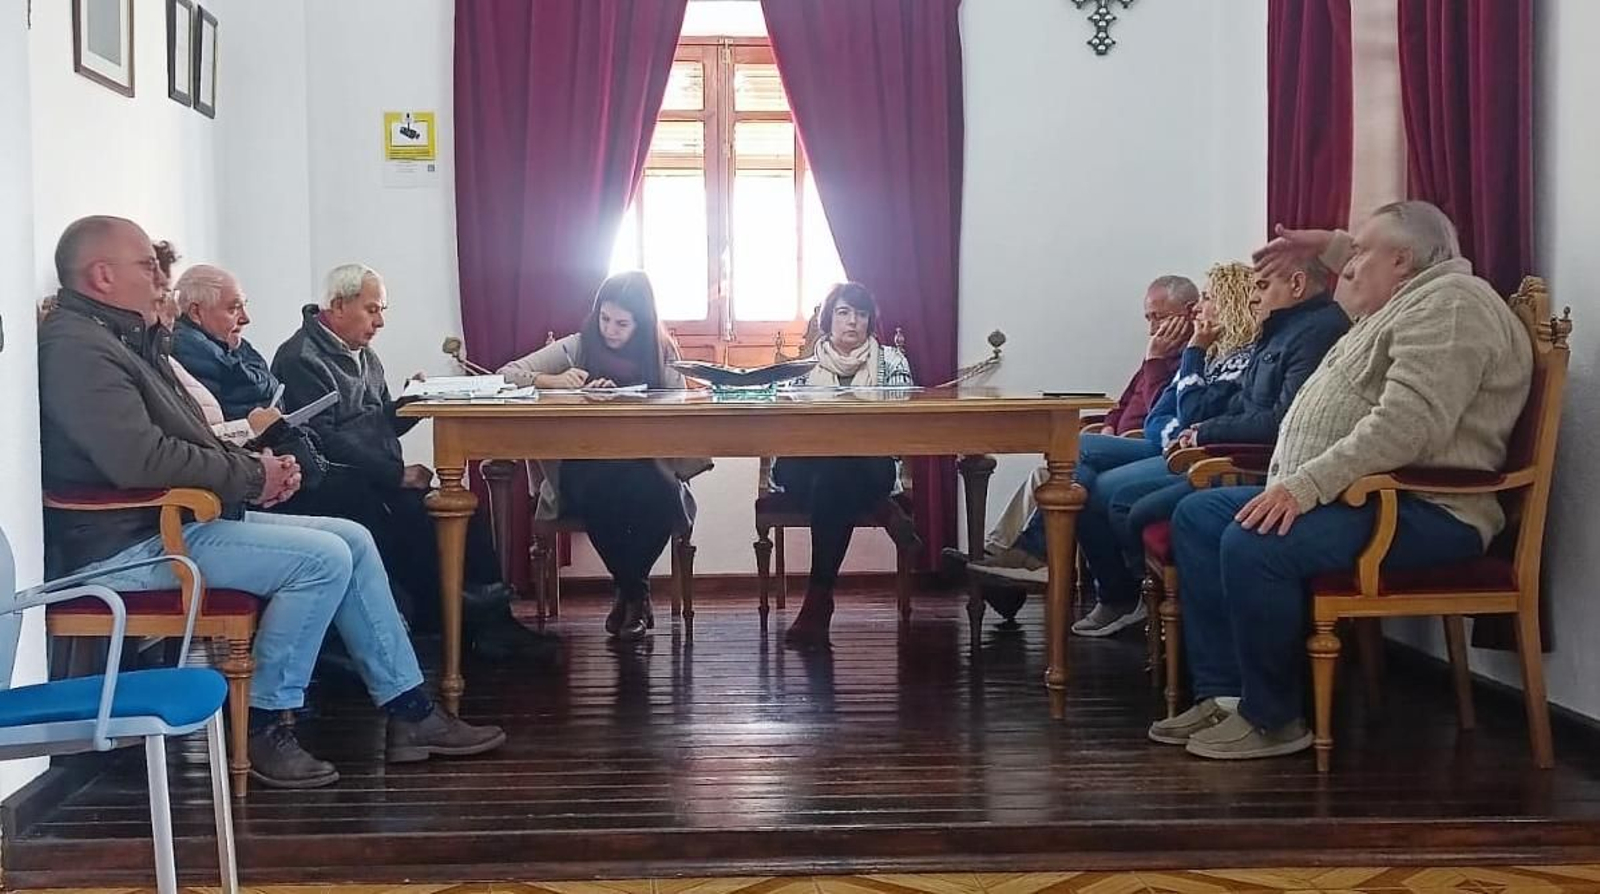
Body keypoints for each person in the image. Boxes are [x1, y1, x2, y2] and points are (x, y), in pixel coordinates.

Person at [39, 215, 505, 789]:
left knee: (351, 538)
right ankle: (258, 725)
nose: (161, 277)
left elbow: (188, 438)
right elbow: (142, 459)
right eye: (147, 266)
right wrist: (249, 477)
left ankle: (410, 713)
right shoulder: (79, 348)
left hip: (171, 522)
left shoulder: (124, 339)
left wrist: (256, 469)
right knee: (322, 559)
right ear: (102, 275)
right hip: (130, 543)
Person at [1153, 201, 1533, 760]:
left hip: (1427, 510)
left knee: (1254, 541)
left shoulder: (1451, 307)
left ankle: (1275, 718)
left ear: (1401, 260)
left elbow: (1406, 426)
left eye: (1359, 252)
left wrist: (1303, 486)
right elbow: (1360, 276)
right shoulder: (1406, 301)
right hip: (1371, 497)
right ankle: (1228, 695)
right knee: (1198, 516)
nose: (1348, 266)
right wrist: (1326, 245)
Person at [267, 264, 548, 661]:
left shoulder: (365, 354)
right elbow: (321, 441)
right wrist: (396, 474)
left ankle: (492, 624)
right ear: (338, 305)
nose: (380, 321)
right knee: (427, 520)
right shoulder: (300, 358)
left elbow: (380, 421)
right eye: (372, 310)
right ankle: (463, 630)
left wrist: (414, 400)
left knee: (468, 514)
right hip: (346, 488)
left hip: (378, 480)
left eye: (382, 310)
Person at [1060, 254, 1349, 636]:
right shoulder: (1249, 345)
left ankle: (1119, 592)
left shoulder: (1244, 349)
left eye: (1209, 297)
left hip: (1207, 455)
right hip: (1173, 443)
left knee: (1096, 480)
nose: (1200, 307)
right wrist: (1121, 420)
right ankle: (1073, 567)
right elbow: (1151, 409)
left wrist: (1191, 360)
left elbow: (1193, 410)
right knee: (1071, 455)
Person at [498, 271, 708, 641]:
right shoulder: (576, 347)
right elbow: (507, 374)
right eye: (605, 318)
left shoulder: (661, 354)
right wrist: (554, 382)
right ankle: (635, 592)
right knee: (603, 492)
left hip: (645, 465)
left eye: (622, 323)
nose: (610, 330)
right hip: (583, 468)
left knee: (660, 495)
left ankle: (629, 591)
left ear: (641, 325)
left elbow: (682, 412)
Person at [767, 283, 917, 649]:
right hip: (802, 464)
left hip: (869, 463)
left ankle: (818, 601)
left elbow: (901, 423)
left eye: (861, 314)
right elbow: (779, 420)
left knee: (835, 476)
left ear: (870, 321)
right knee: (827, 469)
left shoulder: (892, 361)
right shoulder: (801, 367)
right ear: (828, 318)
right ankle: (880, 508)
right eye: (844, 312)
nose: (853, 321)